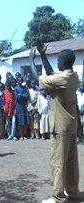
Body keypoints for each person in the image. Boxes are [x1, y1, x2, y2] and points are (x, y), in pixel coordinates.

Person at [30, 45, 81, 203]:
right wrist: (43, 56)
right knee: (71, 161)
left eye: (58, 60)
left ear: (62, 62)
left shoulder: (62, 79)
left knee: (58, 162)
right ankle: (73, 192)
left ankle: (59, 196)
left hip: (60, 126)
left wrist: (32, 60)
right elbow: (51, 73)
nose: (56, 62)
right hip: (71, 125)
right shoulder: (73, 77)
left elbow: (38, 78)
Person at [14, 76, 30, 140]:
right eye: (19, 80)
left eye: (21, 80)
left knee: (25, 121)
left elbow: (27, 95)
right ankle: (21, 135)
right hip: (19, 106)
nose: (20, 81)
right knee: (20, 121)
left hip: (24, 106)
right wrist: (22, 96)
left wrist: (22, 96)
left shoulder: (25, 88)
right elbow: (17, 97)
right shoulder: (16, 88)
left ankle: (25, 134)